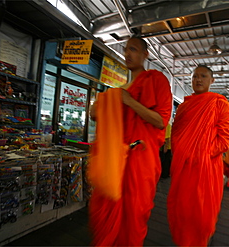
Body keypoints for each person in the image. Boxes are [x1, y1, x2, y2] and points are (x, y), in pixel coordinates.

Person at [88, 36, 173, 246]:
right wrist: (98, 110)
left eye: (133, 49)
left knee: (134, 213)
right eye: (126, 49)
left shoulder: (156, 80)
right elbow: (109, 120)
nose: (128, 54)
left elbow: (161, 121)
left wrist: (129, 102)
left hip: (141, 160)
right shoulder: (119, 90)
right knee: (108, 208)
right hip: (116, 160)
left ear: (145, 54)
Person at [167, 65, 229, 246]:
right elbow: (177, 135)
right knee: (182, 209)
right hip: (183, 166)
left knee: (201, 212)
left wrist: (199, 153)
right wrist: (183, 153)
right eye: (195, 76)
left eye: (203, 76)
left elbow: (224, 141)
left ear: (212, 80)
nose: (198, 80)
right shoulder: (184, 106)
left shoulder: (220, 105)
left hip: (206, 167)